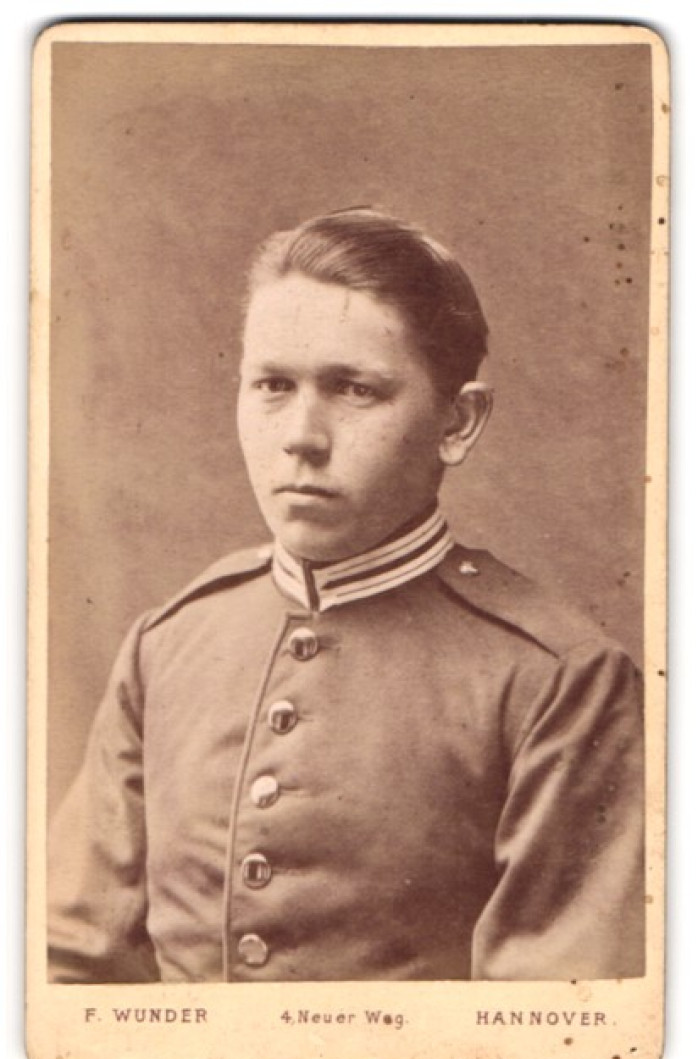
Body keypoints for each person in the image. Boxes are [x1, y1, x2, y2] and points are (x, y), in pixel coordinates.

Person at [48, 208, 645, 983]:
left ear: (458, 421)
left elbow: (551, 1035)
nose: (301, 434)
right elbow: (68, 977)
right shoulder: (169, 645)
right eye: (271, 384)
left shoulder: (559, 679)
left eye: (353, 389)